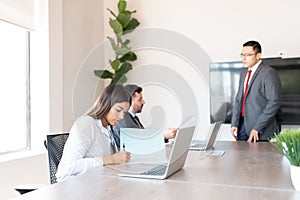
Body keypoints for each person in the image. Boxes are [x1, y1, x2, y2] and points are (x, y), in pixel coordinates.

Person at [56, 84, 132, 182]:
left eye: (124, 112)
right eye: (118, 110)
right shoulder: (86, 124)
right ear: (106, 104)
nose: (121, 117)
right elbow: (68, 167)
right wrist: (110, 159)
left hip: (96, 182)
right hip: (74, 187)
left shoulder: (106, 128)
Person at [230, 40, 282, 143]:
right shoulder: (243, 74)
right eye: (242, 55)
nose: (244, 58)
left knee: (259, 159)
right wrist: (234, 123)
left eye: (248, 55)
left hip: (261, 129)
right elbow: (238, 100)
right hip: (242, 126)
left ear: (258, 55)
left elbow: (274, 103)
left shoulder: (269, 73)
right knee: (241, 158)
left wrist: (257, 127)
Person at [112, 84, 178, 149]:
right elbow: (137, 142)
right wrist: (163, 135)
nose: (143, 102)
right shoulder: (123, 118)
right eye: (139, 99)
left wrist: (164, 135)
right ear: (129, 101)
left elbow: (144, 137)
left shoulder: (133, 118)